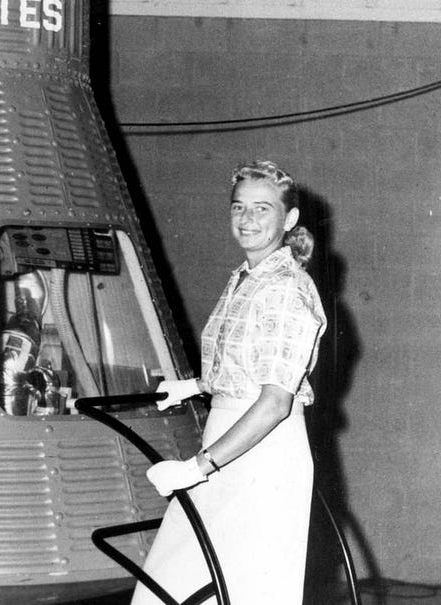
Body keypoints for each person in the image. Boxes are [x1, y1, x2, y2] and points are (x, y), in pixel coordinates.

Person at [131, 160, 327, 605]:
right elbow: (245, 363)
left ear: (289, 219)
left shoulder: (287, 288)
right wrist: (196, 385)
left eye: (262, 209)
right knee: (171, 583)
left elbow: (275, 401)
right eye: (239, 208)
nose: (247, 220)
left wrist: (196, 468)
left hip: (264, 454)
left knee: (245, 590)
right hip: (225, 441)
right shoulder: (244, 278)